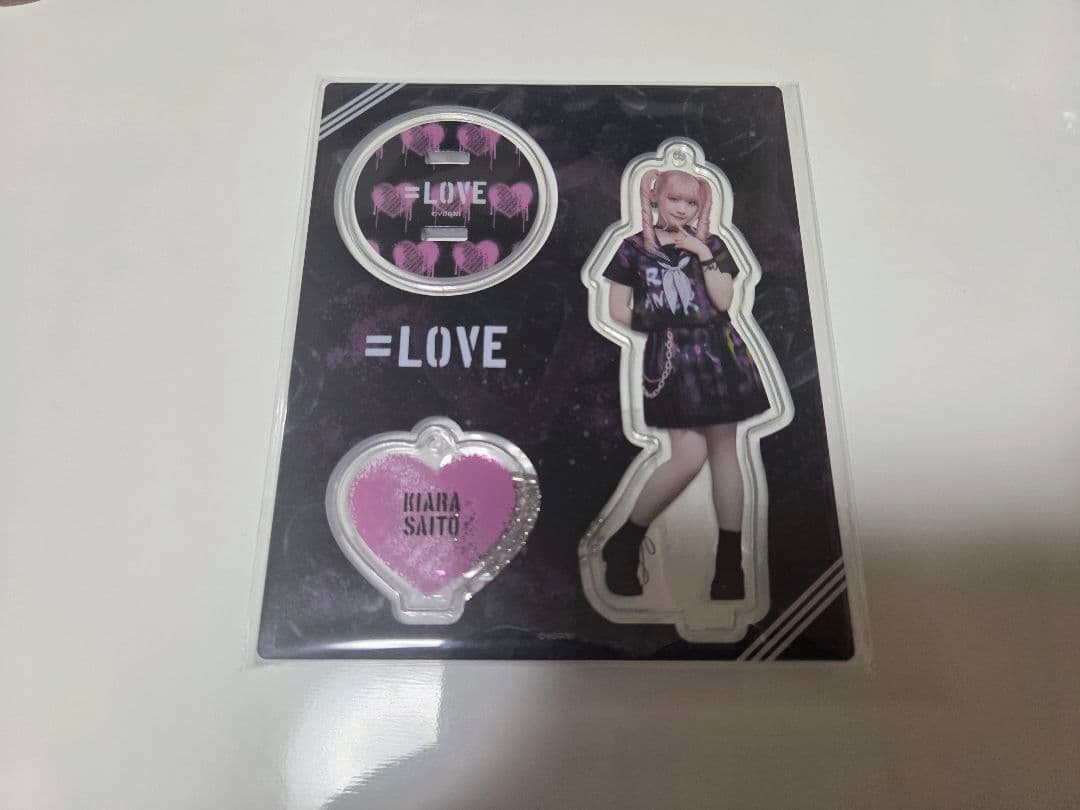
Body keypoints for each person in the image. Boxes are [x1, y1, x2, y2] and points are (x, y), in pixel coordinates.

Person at [601, 169, 770, 599]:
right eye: (674, 199)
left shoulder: (711, 244)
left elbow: (724, 300)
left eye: (691, 202)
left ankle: (729, 565)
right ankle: (626, 540)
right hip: (674, 358)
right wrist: (663, 324)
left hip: (720, 354)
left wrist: (703, 253)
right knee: (688, 458)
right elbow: (617, 308)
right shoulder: (633, 248)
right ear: (656, 198)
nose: (682, 208)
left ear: (701, 206)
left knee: (726, 452)